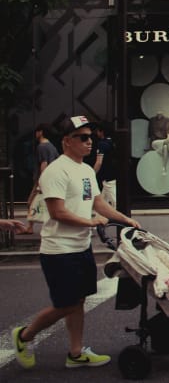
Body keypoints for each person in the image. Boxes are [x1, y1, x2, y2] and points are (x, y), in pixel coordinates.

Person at [12, 115, 141, 370]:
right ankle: (24, 336)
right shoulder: (55, 171)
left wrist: (125, 219)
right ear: (66, 142)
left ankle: (76, 352)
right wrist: (91, 223)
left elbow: (98, 203)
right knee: (66, 304)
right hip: (59, 250)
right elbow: (57, 212)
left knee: (79, 300)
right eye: (82, 137)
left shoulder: (85, 170)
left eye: (90, 137)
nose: (89, 141)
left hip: (81, 247)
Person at [24, 124, 60, 234]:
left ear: (41, 132)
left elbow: (44, 163)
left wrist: (41, 182)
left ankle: (31, 227)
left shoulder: (42, 147)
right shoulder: (51, 146)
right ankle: (30, 226)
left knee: (31, 202)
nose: (35, 134)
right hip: (50, 179)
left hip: (43, 179)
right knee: (35, 202)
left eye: (37, 132)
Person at [92, 123, 116, 210]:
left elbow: (99, 162)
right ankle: (100, 219)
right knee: (103, 201)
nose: (97, 133)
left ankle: (121, 217)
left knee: (115, 201)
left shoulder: (102, 144)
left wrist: (92, 174)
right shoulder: (113, 142)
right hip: (114, 173)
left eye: (98, 131)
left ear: (101, 132)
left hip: (108, 176)